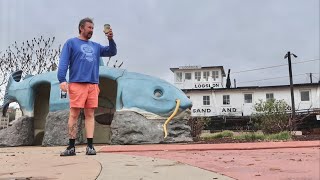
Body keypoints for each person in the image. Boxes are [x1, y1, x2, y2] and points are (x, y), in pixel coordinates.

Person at [57, 17, 117, 156]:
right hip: (77, 84)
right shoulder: (71, 43)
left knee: (90, 115)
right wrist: (62, 79)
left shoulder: (95, 46)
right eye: (89, 27)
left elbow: (111, 52)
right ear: (81, 28)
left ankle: (90, 146)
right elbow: (64, 62)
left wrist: (110, 39)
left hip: (92, 85)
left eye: (93, 28)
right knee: (74, 114)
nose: (91, 30)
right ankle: (71, 147)